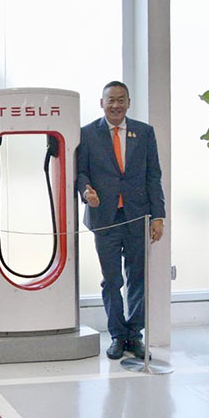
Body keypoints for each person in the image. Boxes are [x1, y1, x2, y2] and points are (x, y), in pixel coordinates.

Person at [76, 81, 165, 360]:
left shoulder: (145, 132)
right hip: (105, 218)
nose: (115, 105)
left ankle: (134, 336)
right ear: (101, 103)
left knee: (138, 278)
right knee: (111, 280)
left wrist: (158, 216)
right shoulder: (87, 134)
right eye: (110, 100)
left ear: (129, 103)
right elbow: (80, 172)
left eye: (120, 100)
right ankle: (117, 335)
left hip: (138, 216)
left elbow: (153, 175)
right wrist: (86, 191)